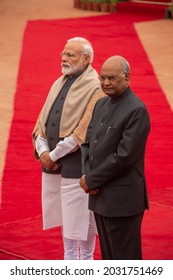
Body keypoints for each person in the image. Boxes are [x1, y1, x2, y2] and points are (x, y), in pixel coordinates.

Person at [32, 37, 104, 260]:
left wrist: (52, 155)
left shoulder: (96, 87)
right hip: (53, 165)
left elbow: (82, 131)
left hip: (78, 166)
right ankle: (69, 264)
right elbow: (41, 122)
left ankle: (86, 263)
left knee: (82, 220)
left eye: (70, 55)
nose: (64, 58)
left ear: (86, 59)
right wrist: (43, 152)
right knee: (66, 218)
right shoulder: (59, 82)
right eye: (63, 53)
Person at [80, 55, 150, 260]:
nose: (105, 83)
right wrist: (88, 177)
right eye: (102, 78)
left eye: (111, 78)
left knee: (125, 260)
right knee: (109, 259)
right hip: (99, 195)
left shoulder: (137, 110)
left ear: (127, 78)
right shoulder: (101, 104)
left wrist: (92, 179)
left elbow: (124, 156)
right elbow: (87, 144)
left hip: (123, 201)